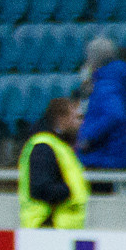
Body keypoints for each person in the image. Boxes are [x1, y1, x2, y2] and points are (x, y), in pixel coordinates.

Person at [19, 97, 87, 228]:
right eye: (77, 117)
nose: (81, 123)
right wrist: (69, 191)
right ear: (62, 118)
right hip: (47, 228)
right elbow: (40, 188)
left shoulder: (59, 145)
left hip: (62, 230)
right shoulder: (44, 147)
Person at [77, 36, 126, 169]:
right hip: (110, 155)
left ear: (92, 60)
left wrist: (88, 136)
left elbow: (115, 115)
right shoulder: (115, 80)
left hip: (104, 157)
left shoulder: (106, 84)